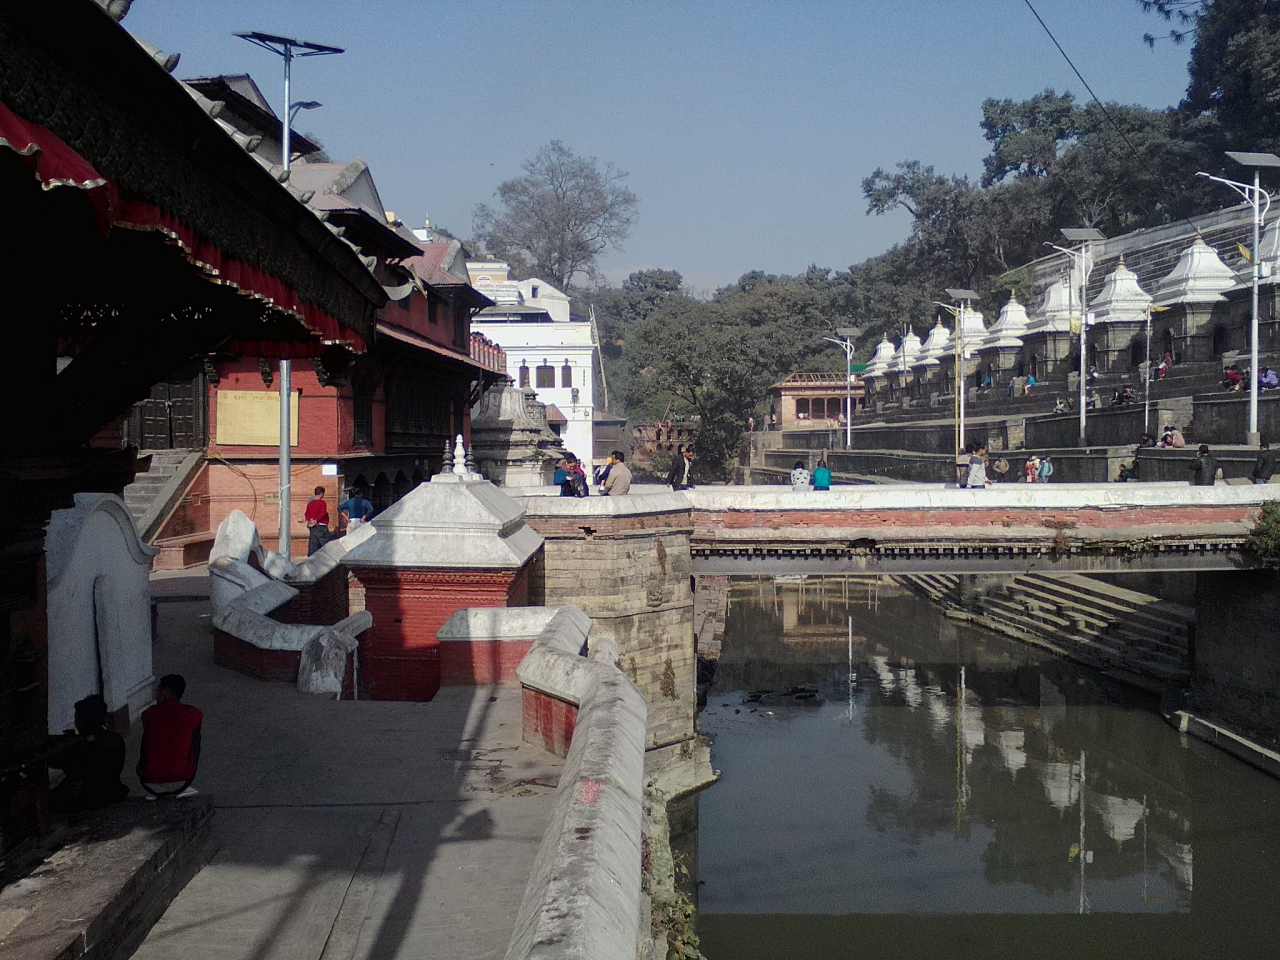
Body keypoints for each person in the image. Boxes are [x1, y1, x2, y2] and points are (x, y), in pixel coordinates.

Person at [48, 695, 129, 813]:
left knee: (51, 799)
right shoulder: (115, 738)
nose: (75, 722)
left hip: (88, 796)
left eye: (76, 718)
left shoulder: (80, 745)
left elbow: (66, 767)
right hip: (113, 791)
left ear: (83, 721)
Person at [137, 674, 203, 799]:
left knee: (148, 734)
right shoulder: (193, 713)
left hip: (148, 783)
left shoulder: (148, 714)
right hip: (181, 781)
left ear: (164, 693)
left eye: (157, 691)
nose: (156, 694)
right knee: (194, 735)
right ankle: (183, 781)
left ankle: (156, 789)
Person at [302, 486, 330, 556]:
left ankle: (312, 560)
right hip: (321, 527)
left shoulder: (310, 503)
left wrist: (310, 520)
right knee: (325, 546)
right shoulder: (322, 503)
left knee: (313, 546)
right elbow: (323, 513)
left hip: (313, 528)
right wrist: (316, 521)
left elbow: (307, 514)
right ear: (321, 493)